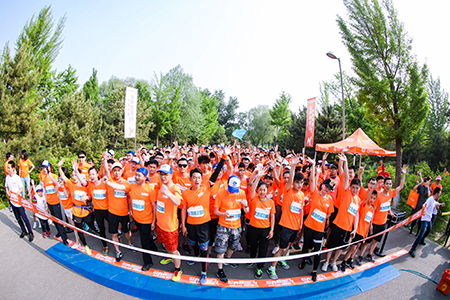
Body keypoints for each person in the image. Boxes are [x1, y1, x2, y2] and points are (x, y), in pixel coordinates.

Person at [181, 151, 227, 285]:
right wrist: (183, 225)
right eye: (194, 177)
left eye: (198, 178)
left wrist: (223, 158)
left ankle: (203, 272)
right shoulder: (185, 192)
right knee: (192, 243)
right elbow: (184, 209)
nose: (196, 180)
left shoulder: (206, 187)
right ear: (190, 179)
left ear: (202, 180)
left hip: (204, 225)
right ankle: (195, 256)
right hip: (190, 224)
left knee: (204, 248)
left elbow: (216, 172)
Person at [105, 167, 158, 271]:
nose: (137, 177)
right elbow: (118, 187)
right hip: (136, 219)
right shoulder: (132, 186)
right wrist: (108, 183)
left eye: (139, 175)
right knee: (146, 237)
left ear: (145, 177)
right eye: (136, 175)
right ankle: (153, 248)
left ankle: (148, 262)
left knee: (144, 242)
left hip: (146, 220)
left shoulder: (150, 190)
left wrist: (154, 221)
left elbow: (154, 207)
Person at [322, 154, 361, 272]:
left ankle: (334, 262)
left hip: (348, 229)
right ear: (350, 187)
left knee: (340, 247)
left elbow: (357, 214)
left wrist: (355, 228)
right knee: (331, 245)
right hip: (338, 225)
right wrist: (344, 163)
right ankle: (327, 262)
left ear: (359, 188)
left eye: (357, 188)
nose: (354, 190)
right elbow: (344, 179)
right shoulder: (346, 192)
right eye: (353, 187)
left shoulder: (358, 200)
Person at [268, 154, 304, 280]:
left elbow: (301, 210)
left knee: (287, 246)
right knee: (282, 248)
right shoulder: (288, 191)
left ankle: (281, 261)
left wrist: (300, 225)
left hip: (295, 227)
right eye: (297, 182)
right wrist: (293, 165)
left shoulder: (301, 195)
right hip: (286, 226)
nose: (299, 185)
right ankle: (272, 267)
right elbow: (289, 181)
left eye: (301, 183)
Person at [363, 165, 407, 263]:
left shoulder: (391, 194)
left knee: (376, 241)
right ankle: (361, 256)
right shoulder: (378, 195)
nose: (388, 185)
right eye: (387, 183)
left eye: (390, 184)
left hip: (383, 223)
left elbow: (401, 186)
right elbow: (373, 209)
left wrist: (403, 174)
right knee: (368, 241)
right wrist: (370, 223)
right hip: (374, 223)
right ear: (384, 185)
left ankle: (369, 254)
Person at [299, 163, 334, 282]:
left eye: (329, 189)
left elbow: (329, 212)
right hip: (309, 226)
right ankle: (303, 261)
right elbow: (312, 180)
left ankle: (314, 271)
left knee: (317, 250)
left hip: (319, 229)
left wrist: (324, 218)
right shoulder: (314, 193)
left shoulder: (330, 199)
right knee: (306, 246)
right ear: (322, 185)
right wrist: (316, 170)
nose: (327, 190)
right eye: (326, 187)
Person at [214, 175, 249, 283]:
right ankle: (220, 270)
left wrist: (246, 205)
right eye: (231, 189)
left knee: (233, 246)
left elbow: (246, 211)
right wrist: (224, 214)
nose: (233, 192)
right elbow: (215, 211)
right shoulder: (220, 194)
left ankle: (227, 259)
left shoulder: (242, 193)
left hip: (236, 226)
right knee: (220, 249)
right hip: (223, 225)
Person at [58, 159, 94, 255]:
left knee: (92, 226)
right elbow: (63, 177)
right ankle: (85, 245)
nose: (74, 177)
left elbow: (90, 195)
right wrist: (59, 167)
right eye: (72, 175)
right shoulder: (71, 184)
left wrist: (87, 197)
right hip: (76, 211)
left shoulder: (85, 184)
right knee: (78, 230)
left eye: (75, 175)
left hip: (86, 211)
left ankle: (94, 229)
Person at [155, 164, 184, 282]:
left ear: (171, 175)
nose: (163, 177)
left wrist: (168, 193)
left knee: (173, 249)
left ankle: (178, 269)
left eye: (165, 175)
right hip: (160, 224)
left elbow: (178, 202)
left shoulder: (174, 189)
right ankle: (170, 257)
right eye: (161, 175)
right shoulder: (161, 187)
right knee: (167, 246)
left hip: (170, 227)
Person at [103, 157, 132, 262]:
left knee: (126, 231)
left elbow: (121, 190)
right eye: (114, 170)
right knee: (114, 233)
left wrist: (130, 211)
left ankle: (129, 243)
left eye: (118, 170)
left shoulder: (126, 183)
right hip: (112, 213)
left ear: (122, 171)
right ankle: (118, 251)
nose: (116, 173)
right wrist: (105, 159)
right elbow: (106, 171)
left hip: (124, 213)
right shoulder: (110, 179)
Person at [248, 166, 275, 279]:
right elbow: (253, 189)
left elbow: (272, 216)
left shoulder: (271, 202)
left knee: (263, 248)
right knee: (253, 246)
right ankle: (252, 259)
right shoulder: (254, 199)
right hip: (254, 228)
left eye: (264, 190)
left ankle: (260, 267)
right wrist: (258, 177)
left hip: (265, 229)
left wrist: (271, 230)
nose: (262, 192)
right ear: (258, 191)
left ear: (267, 191)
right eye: (260, 190)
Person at [409, 187, 445, 257]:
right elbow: (424, 204)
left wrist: (441, 204)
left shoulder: (434, 200)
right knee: (421, 233)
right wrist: (423, 208)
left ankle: (421, 240)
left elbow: (436, 203)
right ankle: (412, 249)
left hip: (429, 219)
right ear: (437, 193)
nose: (439, 195)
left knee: (429, 230)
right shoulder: (430, 199)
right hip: (425, 219)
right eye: (439, 194)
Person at [41, 160, 69, 245]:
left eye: (46, 168)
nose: (44, 169)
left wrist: (50, 175)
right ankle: (59, 232)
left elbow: (57, 183)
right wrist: (45, 202)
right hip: (49, 202)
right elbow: (45, 191)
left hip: (56, 202)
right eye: (43, 168)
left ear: (49, 167)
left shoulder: (53, 176)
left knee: (59, 219)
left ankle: (64, 237)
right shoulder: (44, 178)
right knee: (54, 219)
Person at [6, 160, 34, 242]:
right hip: (12, 202)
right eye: (7, 168)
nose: (8, 169)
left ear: (13, 169)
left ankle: (30, 232)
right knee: (18, 218)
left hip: (18, 202)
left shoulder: (17, 178)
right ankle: (23, 231)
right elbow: (6, 187)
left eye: (9, 168)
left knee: (24, 217)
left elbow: (21, 188)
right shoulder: (7, 178)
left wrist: (17, 194)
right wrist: (8, 192)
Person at [87, 166, 109, 255]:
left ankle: (117, 240)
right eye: (90, 175)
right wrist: (86, 197)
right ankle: (105, 246)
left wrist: (104, 161)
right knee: (101, 229)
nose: (91, 176)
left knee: (113, 227)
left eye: (93, 174)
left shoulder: (104, 183)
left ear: (97, 174)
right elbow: (90, 195)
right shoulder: (90, 185)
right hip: (97, 211)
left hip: (107, 210)